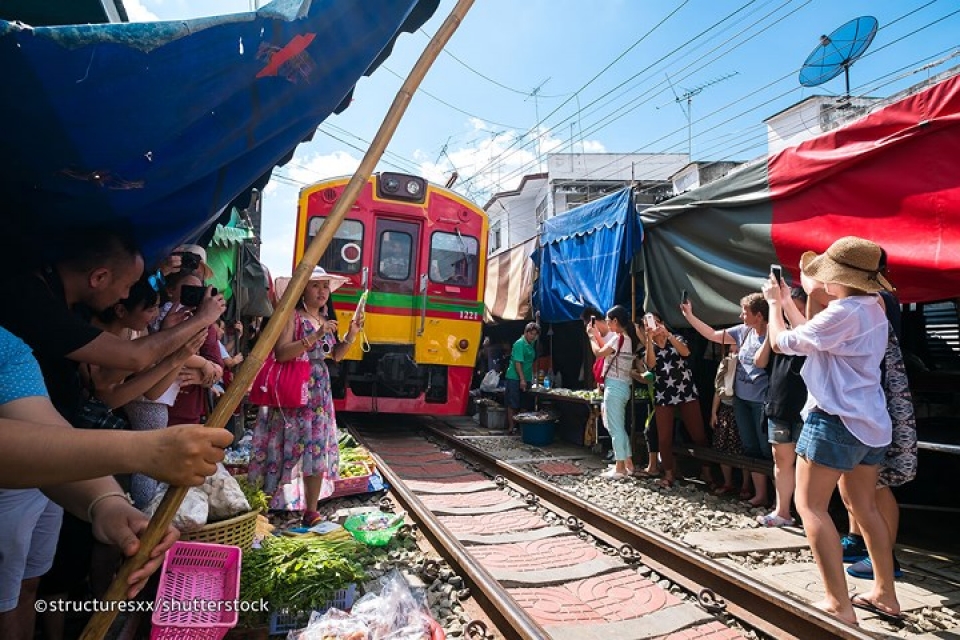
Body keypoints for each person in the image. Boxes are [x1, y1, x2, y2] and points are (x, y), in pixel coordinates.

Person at [0, 230, 225, 640]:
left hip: (41, 483)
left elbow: (42, 428)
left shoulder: (9, 348)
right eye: (128, 286)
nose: (127, 296)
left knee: (24, 588)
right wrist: (141, 451)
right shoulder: (28, 301)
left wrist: (106, 503)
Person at [764, 236, 900, 625]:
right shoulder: (873, 306)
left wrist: (773, 305)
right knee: (864, 506)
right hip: (870, 422)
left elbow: (782, 342)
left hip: (834, 419)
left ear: (839, 278)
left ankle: (839, 604)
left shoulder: (842, 312)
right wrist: (790, 302)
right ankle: (886, 594)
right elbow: (816, 337)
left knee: (810, 507)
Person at [249, 267, 363, 527]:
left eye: (325, 286)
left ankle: (311, 510)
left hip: (319, 392)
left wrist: (352, 334)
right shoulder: (293, 316)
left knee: (316, 447)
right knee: (284, 445)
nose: (322, 291)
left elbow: (335, 355)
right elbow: (281, 353)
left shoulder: (324, 318)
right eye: (315, 286)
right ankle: (265, 506)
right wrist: (316, 335)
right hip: (296, 390)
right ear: (302, 290)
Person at [841, 290, 917, 580]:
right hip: (863, 401)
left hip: (878, 399)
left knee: (876, 484)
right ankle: (858, 539)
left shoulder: (877, 299)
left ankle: (884, 556)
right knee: (851, 481)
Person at [682, 293, 772, 507]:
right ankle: (760, 495)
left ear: (759, 315)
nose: (741, 316)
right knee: (750, 447)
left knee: (767, 449)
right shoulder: (744, 331)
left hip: (762, 401)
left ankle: (778, 499)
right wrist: (690, 316)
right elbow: (713, 335)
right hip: (741, 399)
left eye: (745, 312)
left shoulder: (773, 333)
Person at [754, 287, 808, 527]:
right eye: (787, 308)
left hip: (805, 407)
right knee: (781, 461)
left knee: (808, 464)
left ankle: (809, 514)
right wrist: (772, 331)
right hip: (778, 404)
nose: (791, 313)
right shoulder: (778, 332)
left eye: (797, 308)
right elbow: (759, 361)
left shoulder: (812, 332)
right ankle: (782, 511)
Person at [640, 312, 714, 488]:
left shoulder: (677, 338)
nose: (653, 326)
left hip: (686, 391)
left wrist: (668, 335)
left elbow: (685, 352)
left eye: (655, 322)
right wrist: (649, 339)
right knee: (664, 438)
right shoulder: (649, 348)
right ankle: (669, 473)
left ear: (662, 322)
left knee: (698, 434)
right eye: (648, 324)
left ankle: (707, 471)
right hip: (664, 394)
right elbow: (650, 364)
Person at [588, 306, 637, 479]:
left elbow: (599, 353)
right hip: (624, 386)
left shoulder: (618, 338)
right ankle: (628, 463)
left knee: (615, 428)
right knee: (619, 427)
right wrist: (597, 335)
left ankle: (620, 467)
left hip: (614, 387)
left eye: (608, 321)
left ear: (615, 321)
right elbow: (607, 350)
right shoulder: (627, 339)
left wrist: (591, 337)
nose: (607, 324)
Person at [504, 322, 539, 433]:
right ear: (525, 332)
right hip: (515, 377)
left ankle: (521, 428)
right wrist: (522, 379)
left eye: (535, 334)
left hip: (527, 377)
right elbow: (517, 363)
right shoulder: (519, 344)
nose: (533, 336)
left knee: (525, 404)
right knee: (513, 403)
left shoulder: (531, 344)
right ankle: (511, 427)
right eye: (531, 334)